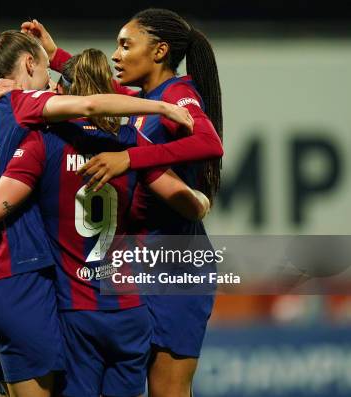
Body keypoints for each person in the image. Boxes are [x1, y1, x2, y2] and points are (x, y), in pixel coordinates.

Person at [0, 48, 210, 397]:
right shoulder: (130, 146)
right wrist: (201, 199)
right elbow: (187, 204)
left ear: (62, 94)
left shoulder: (44, 141)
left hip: (74, 309)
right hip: (127, 308)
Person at [22, 11, 224, 397]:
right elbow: (100, 95)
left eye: (126, 45)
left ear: (160, 51)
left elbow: (210, 144)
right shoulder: (148, 99)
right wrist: (56, 55)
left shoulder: (179, 93)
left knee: (167, 391)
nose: (117, 54)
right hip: (143, 263)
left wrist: (130, 159)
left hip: (177, 266)